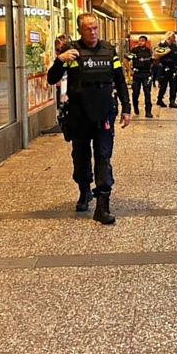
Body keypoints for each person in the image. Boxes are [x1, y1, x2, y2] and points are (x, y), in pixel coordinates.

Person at [48, 13, 131, 222]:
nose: (93, 32)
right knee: (80, 157)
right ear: (79, 31)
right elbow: (52, 78)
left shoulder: (108, 50)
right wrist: (59, 60)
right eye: (88, 29)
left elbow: (119, 80)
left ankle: (103, 204)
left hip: (104, 112)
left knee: (103, 156)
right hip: (79, 113)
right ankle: (84, 190)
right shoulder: (71, 51)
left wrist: (127, 108)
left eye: (95, 28)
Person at [126, 35, 154, 118]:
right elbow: (125, 61)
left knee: (147, 93)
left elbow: (153, 61)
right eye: (139, 40)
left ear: (146, 42)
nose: (140, 42)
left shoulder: (149, 51)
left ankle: (148, 111)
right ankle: (135, 106)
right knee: (136, 93)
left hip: (146, 74)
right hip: (137, 74)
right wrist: (130, 71)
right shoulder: (134, 51)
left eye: (142, 40)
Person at [154, 31, 177, 108]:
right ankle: (159, 99)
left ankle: (172, 101)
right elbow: (157, 55)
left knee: (174, 85)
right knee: (163, 85)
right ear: (169, 37)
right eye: (174, 37)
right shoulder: (163, 44)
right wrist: (165, 52)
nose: (175, 38)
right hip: (164, 69)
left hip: (173, 69)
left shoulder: (173, 46)